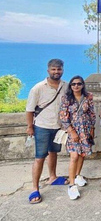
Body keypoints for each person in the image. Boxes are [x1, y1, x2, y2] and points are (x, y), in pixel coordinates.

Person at [26, 59, 68, 204]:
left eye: (59, 69)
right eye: (54, 69)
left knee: (53, 152)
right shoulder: (38, 88)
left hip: (58, 126)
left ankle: (53, 177)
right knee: (40, 157)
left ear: (62, 70)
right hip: (42, 126)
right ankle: (34, 188)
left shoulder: (65, 86)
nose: (56, 72)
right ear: (48, 70)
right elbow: (30, 110)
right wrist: (30, 127)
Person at [59, 75, 95, 200]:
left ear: (82, 85)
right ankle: (71, 185)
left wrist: (92, 129)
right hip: (73, 130)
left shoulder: (88, 96)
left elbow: (92, 113)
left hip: (85, 130)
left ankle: (78, 175)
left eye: (79, 84)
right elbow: (63, 116)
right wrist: (71, 131)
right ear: (70, 86)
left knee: (82, 154)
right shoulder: (66, 98)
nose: (76, 86)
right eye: (73, 84)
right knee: (74, 156)